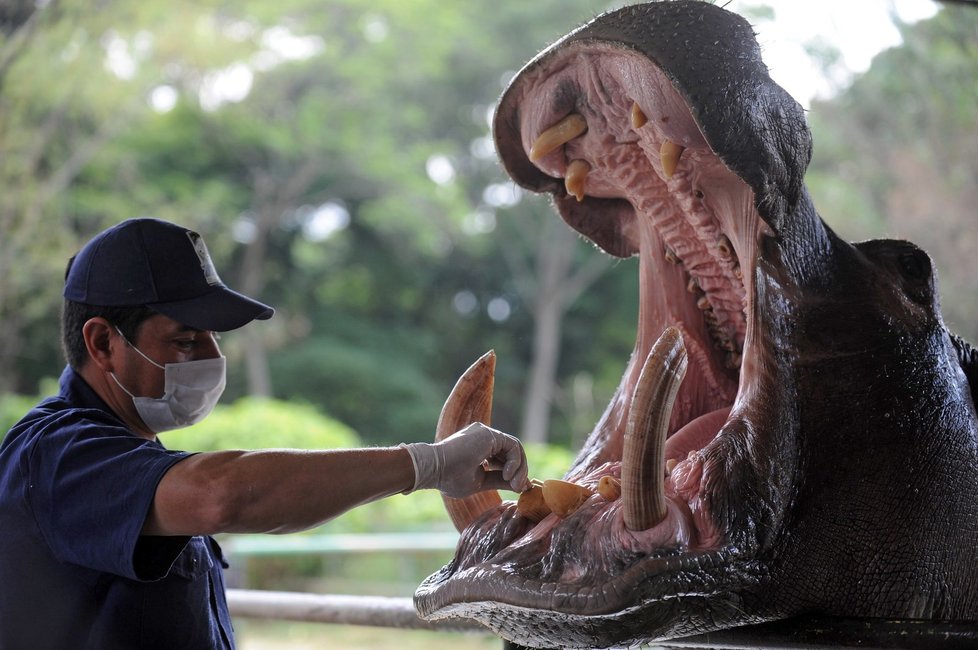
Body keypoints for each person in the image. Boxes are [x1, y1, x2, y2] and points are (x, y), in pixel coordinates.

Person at [0, 217, 530, 649]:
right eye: (185, 341)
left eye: (212, 339)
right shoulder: (52, 455)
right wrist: (428, 465)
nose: (212, 359)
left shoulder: (138, 454)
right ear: (102, 344)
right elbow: (224, 495)